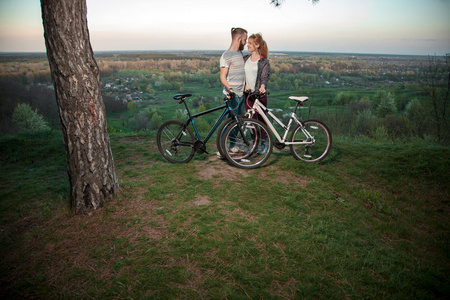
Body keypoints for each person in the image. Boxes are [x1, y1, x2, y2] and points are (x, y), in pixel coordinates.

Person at [217, 27, 247, 158]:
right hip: (232, 95)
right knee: (229, 123)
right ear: (239, 39)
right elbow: (223, 77)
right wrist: (230, 90)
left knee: (238, 123)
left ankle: (232, 146)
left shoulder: (240, 54)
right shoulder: (226, 55)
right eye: (245, 40)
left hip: (241, 95)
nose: (245, 43)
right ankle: (222, 150)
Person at [243, 33, 270, 153]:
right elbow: (240, 75)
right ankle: (254, 142)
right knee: (250, 120)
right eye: (247, 42)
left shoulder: (264, 61)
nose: (247, 45)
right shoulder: (245, 59)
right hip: (248, 95)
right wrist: (244, 85)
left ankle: (264, 143)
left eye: (250, 43)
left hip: (259, 95)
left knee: (261, 121)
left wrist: (263, 86)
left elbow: (264, 77)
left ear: (257, 45)